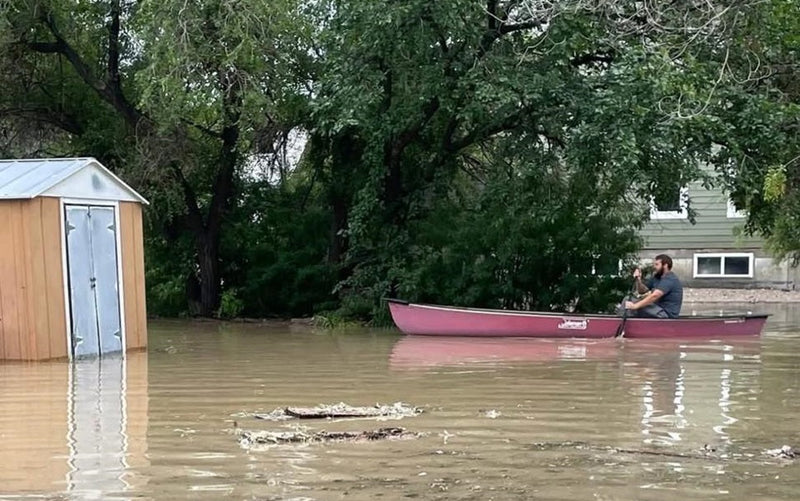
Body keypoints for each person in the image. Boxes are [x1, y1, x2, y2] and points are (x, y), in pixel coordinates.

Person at [623, 254, 683, 319]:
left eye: (657, 264)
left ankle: (621, 324)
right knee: (628, 299)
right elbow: (642, 291)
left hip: (666, 314)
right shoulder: (656, 278)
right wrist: (638, 279)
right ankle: (625, 322)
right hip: (656, 310)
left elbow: (655, 296)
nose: (654, 267)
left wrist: (635, 306)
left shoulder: (670, 279)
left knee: (633, 303)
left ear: (665, 265)